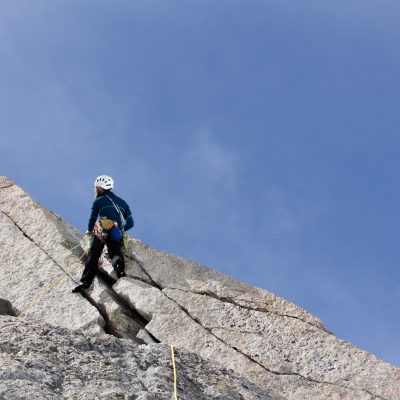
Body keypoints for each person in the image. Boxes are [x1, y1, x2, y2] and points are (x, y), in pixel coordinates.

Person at [72, 175, 134, 293]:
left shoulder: (98, 201)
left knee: (94, 253)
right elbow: (131, 223)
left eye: (95, 187)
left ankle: (86, 282)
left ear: (100, 188)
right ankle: (119, 268)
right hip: (116, 230)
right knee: (115, 250)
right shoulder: (123, 203)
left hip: (102, 228)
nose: (94, 190)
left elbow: (92, 218)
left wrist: (90, 231)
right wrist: (121, 229)